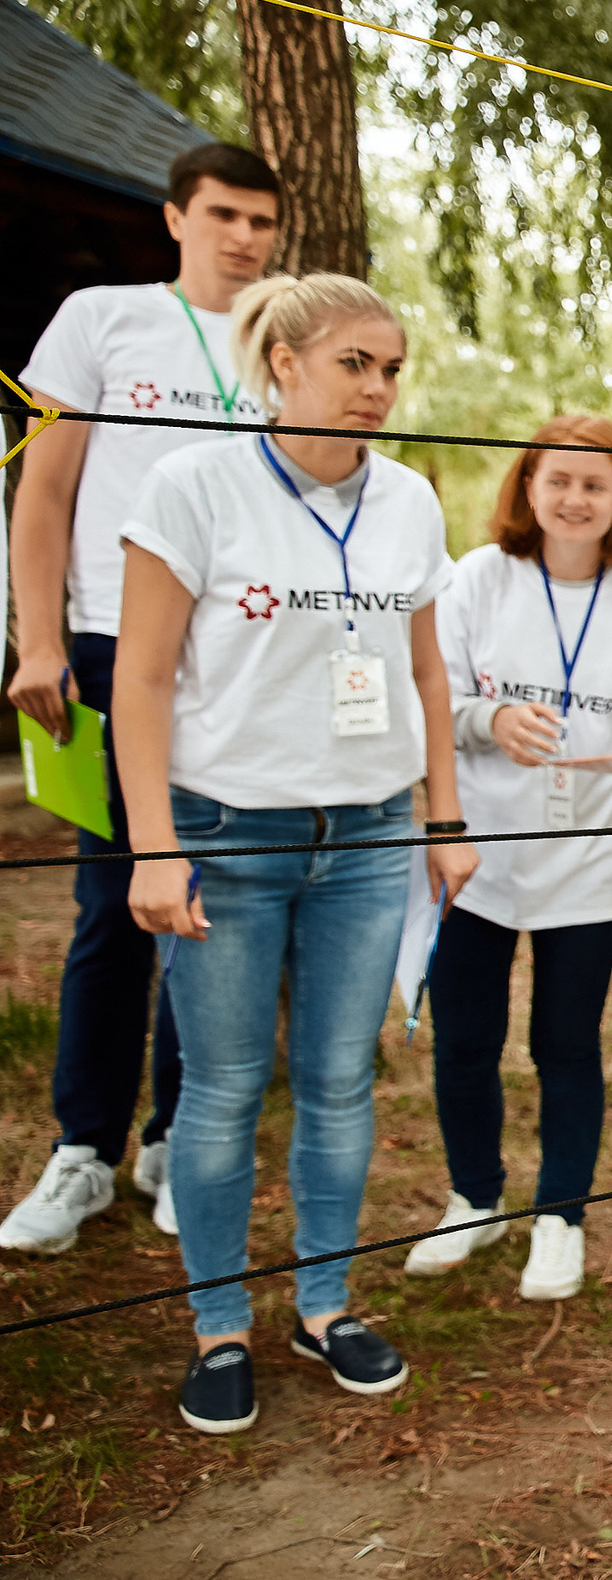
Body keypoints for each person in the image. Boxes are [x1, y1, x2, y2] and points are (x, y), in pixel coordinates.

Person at [114, 273, 475, 1434]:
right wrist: (155, 848)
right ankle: (219, 1327)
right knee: (220, 1091)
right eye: (352, 365)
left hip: (368, 838)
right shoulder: (192, 486)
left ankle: (325, 1304)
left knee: (338, 1083)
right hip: (225, 834)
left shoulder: (412, 501)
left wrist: (445, 818)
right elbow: (142, 678)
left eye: (390, 369)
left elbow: (428, 676)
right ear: (283, 363)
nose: (376, 388)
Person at [2, 144, 281, 1254]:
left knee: (211, 904)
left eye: (262, 220)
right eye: (223, 214)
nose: (244, 238)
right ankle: (82, 1150)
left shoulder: (283, 338)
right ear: (175, 218)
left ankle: (177, 1136)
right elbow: (45, 486)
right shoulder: (98, 317)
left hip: (239, 654)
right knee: (110, 907)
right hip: (116, 646)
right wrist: (35, 640)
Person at [404, 418, 612, 1302]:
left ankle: (560, 1217)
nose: (575, 498)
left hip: (588, 863)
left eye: (596, 484)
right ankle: (475, 1197)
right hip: (478, 856)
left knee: (565, 1043)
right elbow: (440, 700)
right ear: (528, 487)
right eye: (559, 480)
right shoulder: (474, 578)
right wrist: (489, 722)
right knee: (467, 1040)